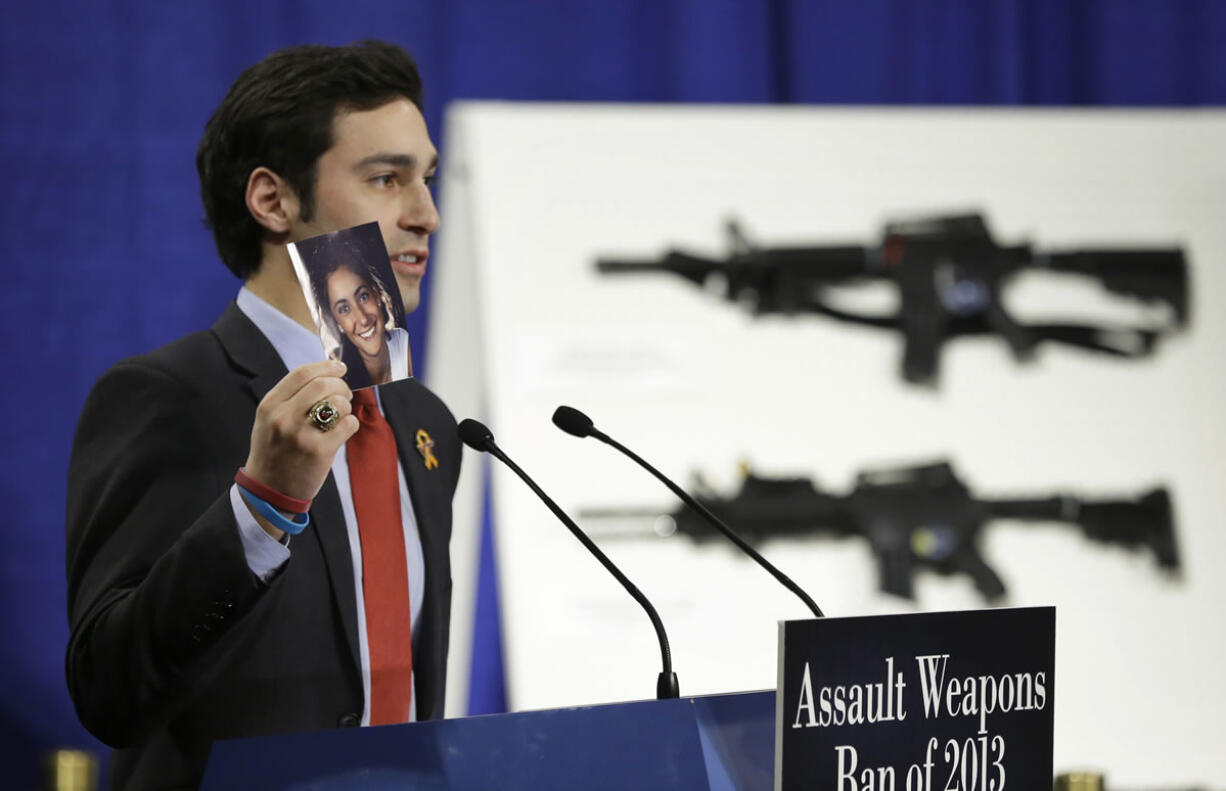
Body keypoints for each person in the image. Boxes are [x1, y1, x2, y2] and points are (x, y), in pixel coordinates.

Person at [64, 41, 459, 790]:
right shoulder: (166, 396)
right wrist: (260, 509)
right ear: (273, 200)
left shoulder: (425, 421)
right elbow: (108, 690)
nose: (426, 215)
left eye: (427, 180)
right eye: (386, 179)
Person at [317, 258, 413, 387]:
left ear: (377, 294)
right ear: (337, 323)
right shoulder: (335, 380)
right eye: (344, 309)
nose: (363, 319)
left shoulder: (405, 345)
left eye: (363, 297)